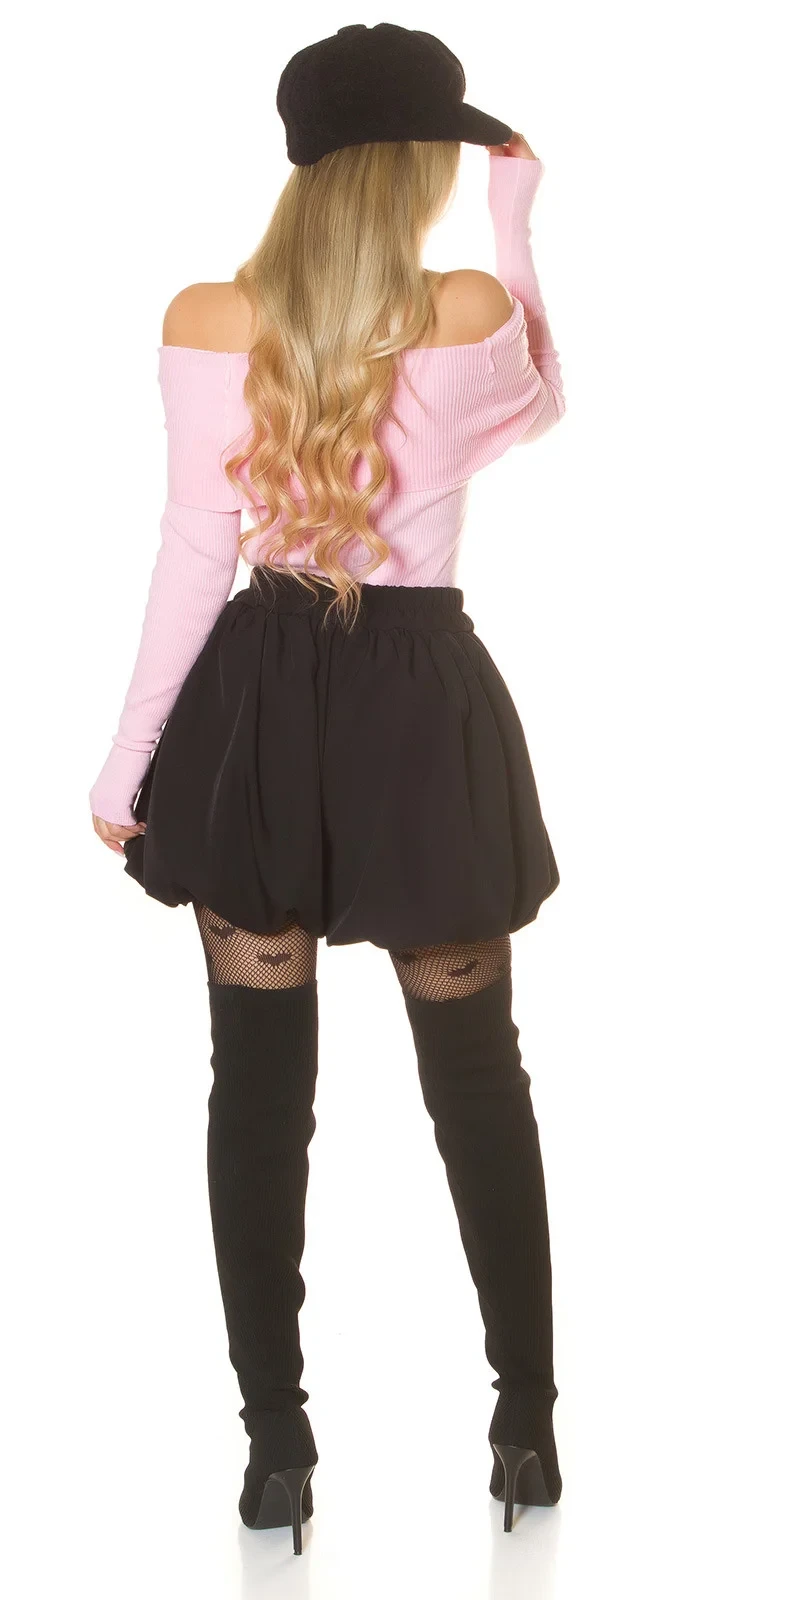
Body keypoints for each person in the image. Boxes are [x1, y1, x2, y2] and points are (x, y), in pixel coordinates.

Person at [88, 24, 567, 1554]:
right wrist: (516, 222)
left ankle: (277, 1450)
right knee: (477, 1075)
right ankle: (527, 1426)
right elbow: (538, 405)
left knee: (256, 1087)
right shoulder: (469, 307)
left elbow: (193, 553)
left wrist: (128, 763)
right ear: (421, 165)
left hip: (260, 702)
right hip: (420, 701)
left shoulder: (207, 317)